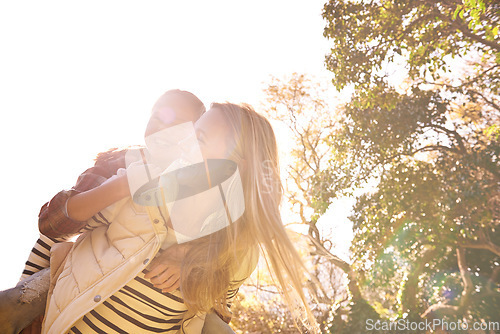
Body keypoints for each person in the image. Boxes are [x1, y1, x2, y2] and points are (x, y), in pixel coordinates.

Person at [3, 89, 236, 333]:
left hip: (136, 293)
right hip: (67, 273)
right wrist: (125, 184)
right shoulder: (121, 163)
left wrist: (188, 253)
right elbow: (54, 225)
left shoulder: (205, 188)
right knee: (18, 307)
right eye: (157, 117)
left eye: (178, 126)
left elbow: (229, 250)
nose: (163, 129)